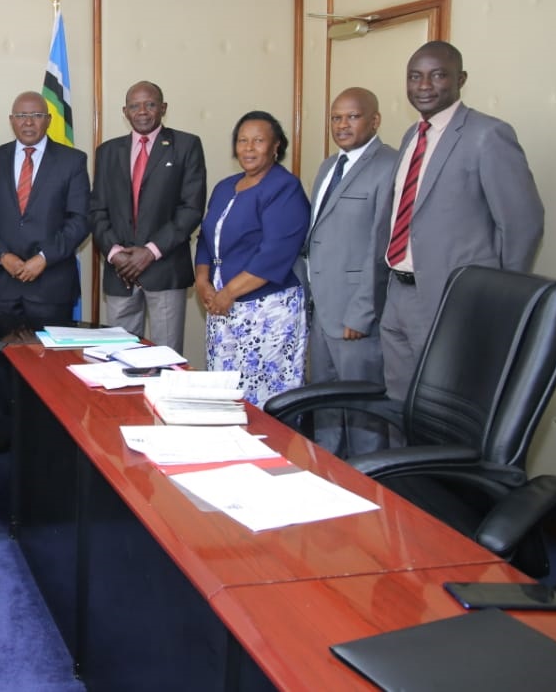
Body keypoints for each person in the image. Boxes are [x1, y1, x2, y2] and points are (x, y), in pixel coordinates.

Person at [380, 41, 543, 399]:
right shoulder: (412, 135)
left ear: (461, 79)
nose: (424, 85)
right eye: (414, 77)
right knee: (398, 404)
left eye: (437, 75)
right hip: (399, 294)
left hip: (452, 299)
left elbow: (522, 224)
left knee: (446, 405)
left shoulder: (488, 135)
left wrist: (499, 298)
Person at [300, 88, 399, 454]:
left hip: (357, 317)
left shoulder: (390, 166)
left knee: (363, 414)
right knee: (324, 406)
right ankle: (328, 479)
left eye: (352, 117)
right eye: (335, 117)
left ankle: (371, 489)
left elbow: (382, 248)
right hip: (323, 310)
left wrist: (362, 313)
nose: (342, 125)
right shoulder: (329, 165)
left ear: (374, 120)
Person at [195, 111, 309, 407]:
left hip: (267, 311)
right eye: (242, 141)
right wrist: (202, 281)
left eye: (258, 141)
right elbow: (207, 238)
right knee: (226, 392)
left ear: (276, 146)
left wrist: (228, 293)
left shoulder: (285, 188)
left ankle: (269, 452)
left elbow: (274, 254)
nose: (248, 148)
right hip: (222, 308)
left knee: (264, 397)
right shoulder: (224, 187)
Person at [89, 81, 206, 353]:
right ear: (125, 111)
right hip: (121, 272)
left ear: (163, 108)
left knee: (166, 358)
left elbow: (191, 209)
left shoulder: (186, 145)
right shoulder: (108, 152)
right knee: (118, 357)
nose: (142, 111)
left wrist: (151, 251)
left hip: (165, 269)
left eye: (150, 104)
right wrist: (116, 252)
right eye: (134, 105)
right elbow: (97, 210)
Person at [0, 90, 90, 321]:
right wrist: (1, 255)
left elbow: (80, 219)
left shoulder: (72, 161)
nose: (28, 122)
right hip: (5, 286)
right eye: (21, 115)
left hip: (52, 285)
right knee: (5, 356)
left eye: (37, 115)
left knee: (52, 358)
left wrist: (44, 257)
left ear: (49, 119)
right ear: (12, 120)